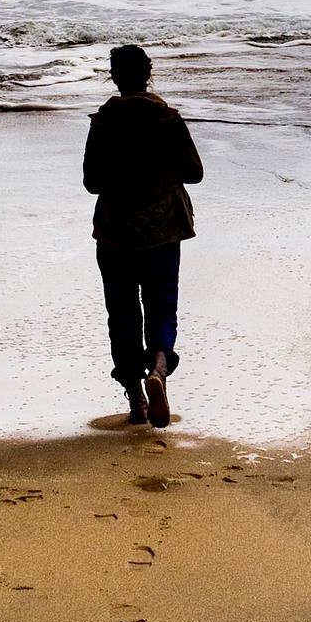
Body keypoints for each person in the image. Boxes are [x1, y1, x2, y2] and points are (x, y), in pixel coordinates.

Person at [83, 44, 203, 428]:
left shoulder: (103, 124)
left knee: (121, 316)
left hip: (116, 232)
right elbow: (195, 172)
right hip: (163, 229)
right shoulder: (167, 120)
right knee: (162, 308)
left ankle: (136, 399)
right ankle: (159, 371)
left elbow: (92, 183)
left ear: (115, 76)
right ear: (148, 73)